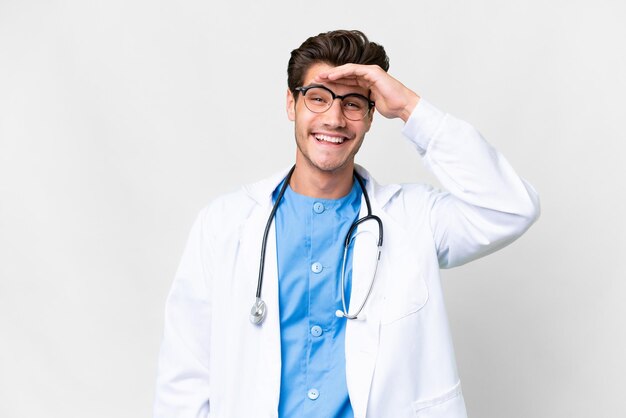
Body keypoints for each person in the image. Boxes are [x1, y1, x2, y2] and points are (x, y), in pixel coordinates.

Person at [153, 30, 540, 418]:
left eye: (353, 104)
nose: (334, 119)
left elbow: (511, 208)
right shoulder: (224, 223)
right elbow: (184, 381)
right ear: (292, 104)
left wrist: (409, 107)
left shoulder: (414, 218)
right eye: (317, 98)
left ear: (372, 116)